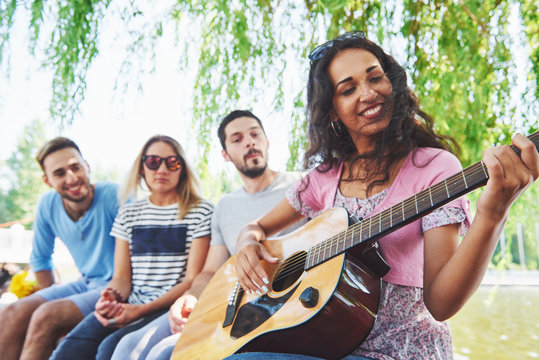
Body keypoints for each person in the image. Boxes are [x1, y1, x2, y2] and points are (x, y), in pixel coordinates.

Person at [230, 31, 539, 360]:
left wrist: (492, 215)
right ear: (332, 111)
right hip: (324, 346)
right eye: (348, 90)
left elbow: (441, 305)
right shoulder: (323, 178)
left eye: (376, 78)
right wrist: (247, 242)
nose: (368, 93)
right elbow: (257, 228)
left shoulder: (434, 167)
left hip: (403, 351)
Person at [110, 110, 305, 360]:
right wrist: (190, 297)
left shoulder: (303, 186)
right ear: (225, 154)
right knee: (135, 347)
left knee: (164, 354)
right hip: (239, 307)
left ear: (267, 141)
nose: (249, 141)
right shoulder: (225, 206)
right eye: (237, 139)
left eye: (255, 134)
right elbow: (209, 272)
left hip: (295, 303)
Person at [49, 135, 213, 360]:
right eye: (153, 162)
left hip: (166, 308)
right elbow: (122, 278)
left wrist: (141, 310)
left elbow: (191, 280)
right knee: (70, 349)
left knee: (108, 349)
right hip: (130, 303)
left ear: (182, 168)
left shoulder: (201, 212)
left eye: (172, 162)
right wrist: (112, 295)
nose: (162, 169)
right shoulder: (129, 213)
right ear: (141, 167)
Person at [0, 137, 119, 360]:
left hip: (118, 288)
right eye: (60, 173)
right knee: (10, 312)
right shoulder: (47, 204)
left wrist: (56, 310)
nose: (71, 178)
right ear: (47, 180)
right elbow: (41, 259)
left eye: (76, 167)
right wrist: (55, 301)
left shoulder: (116, 195)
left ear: (87, 166)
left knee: (47, 316)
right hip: (86, 283)